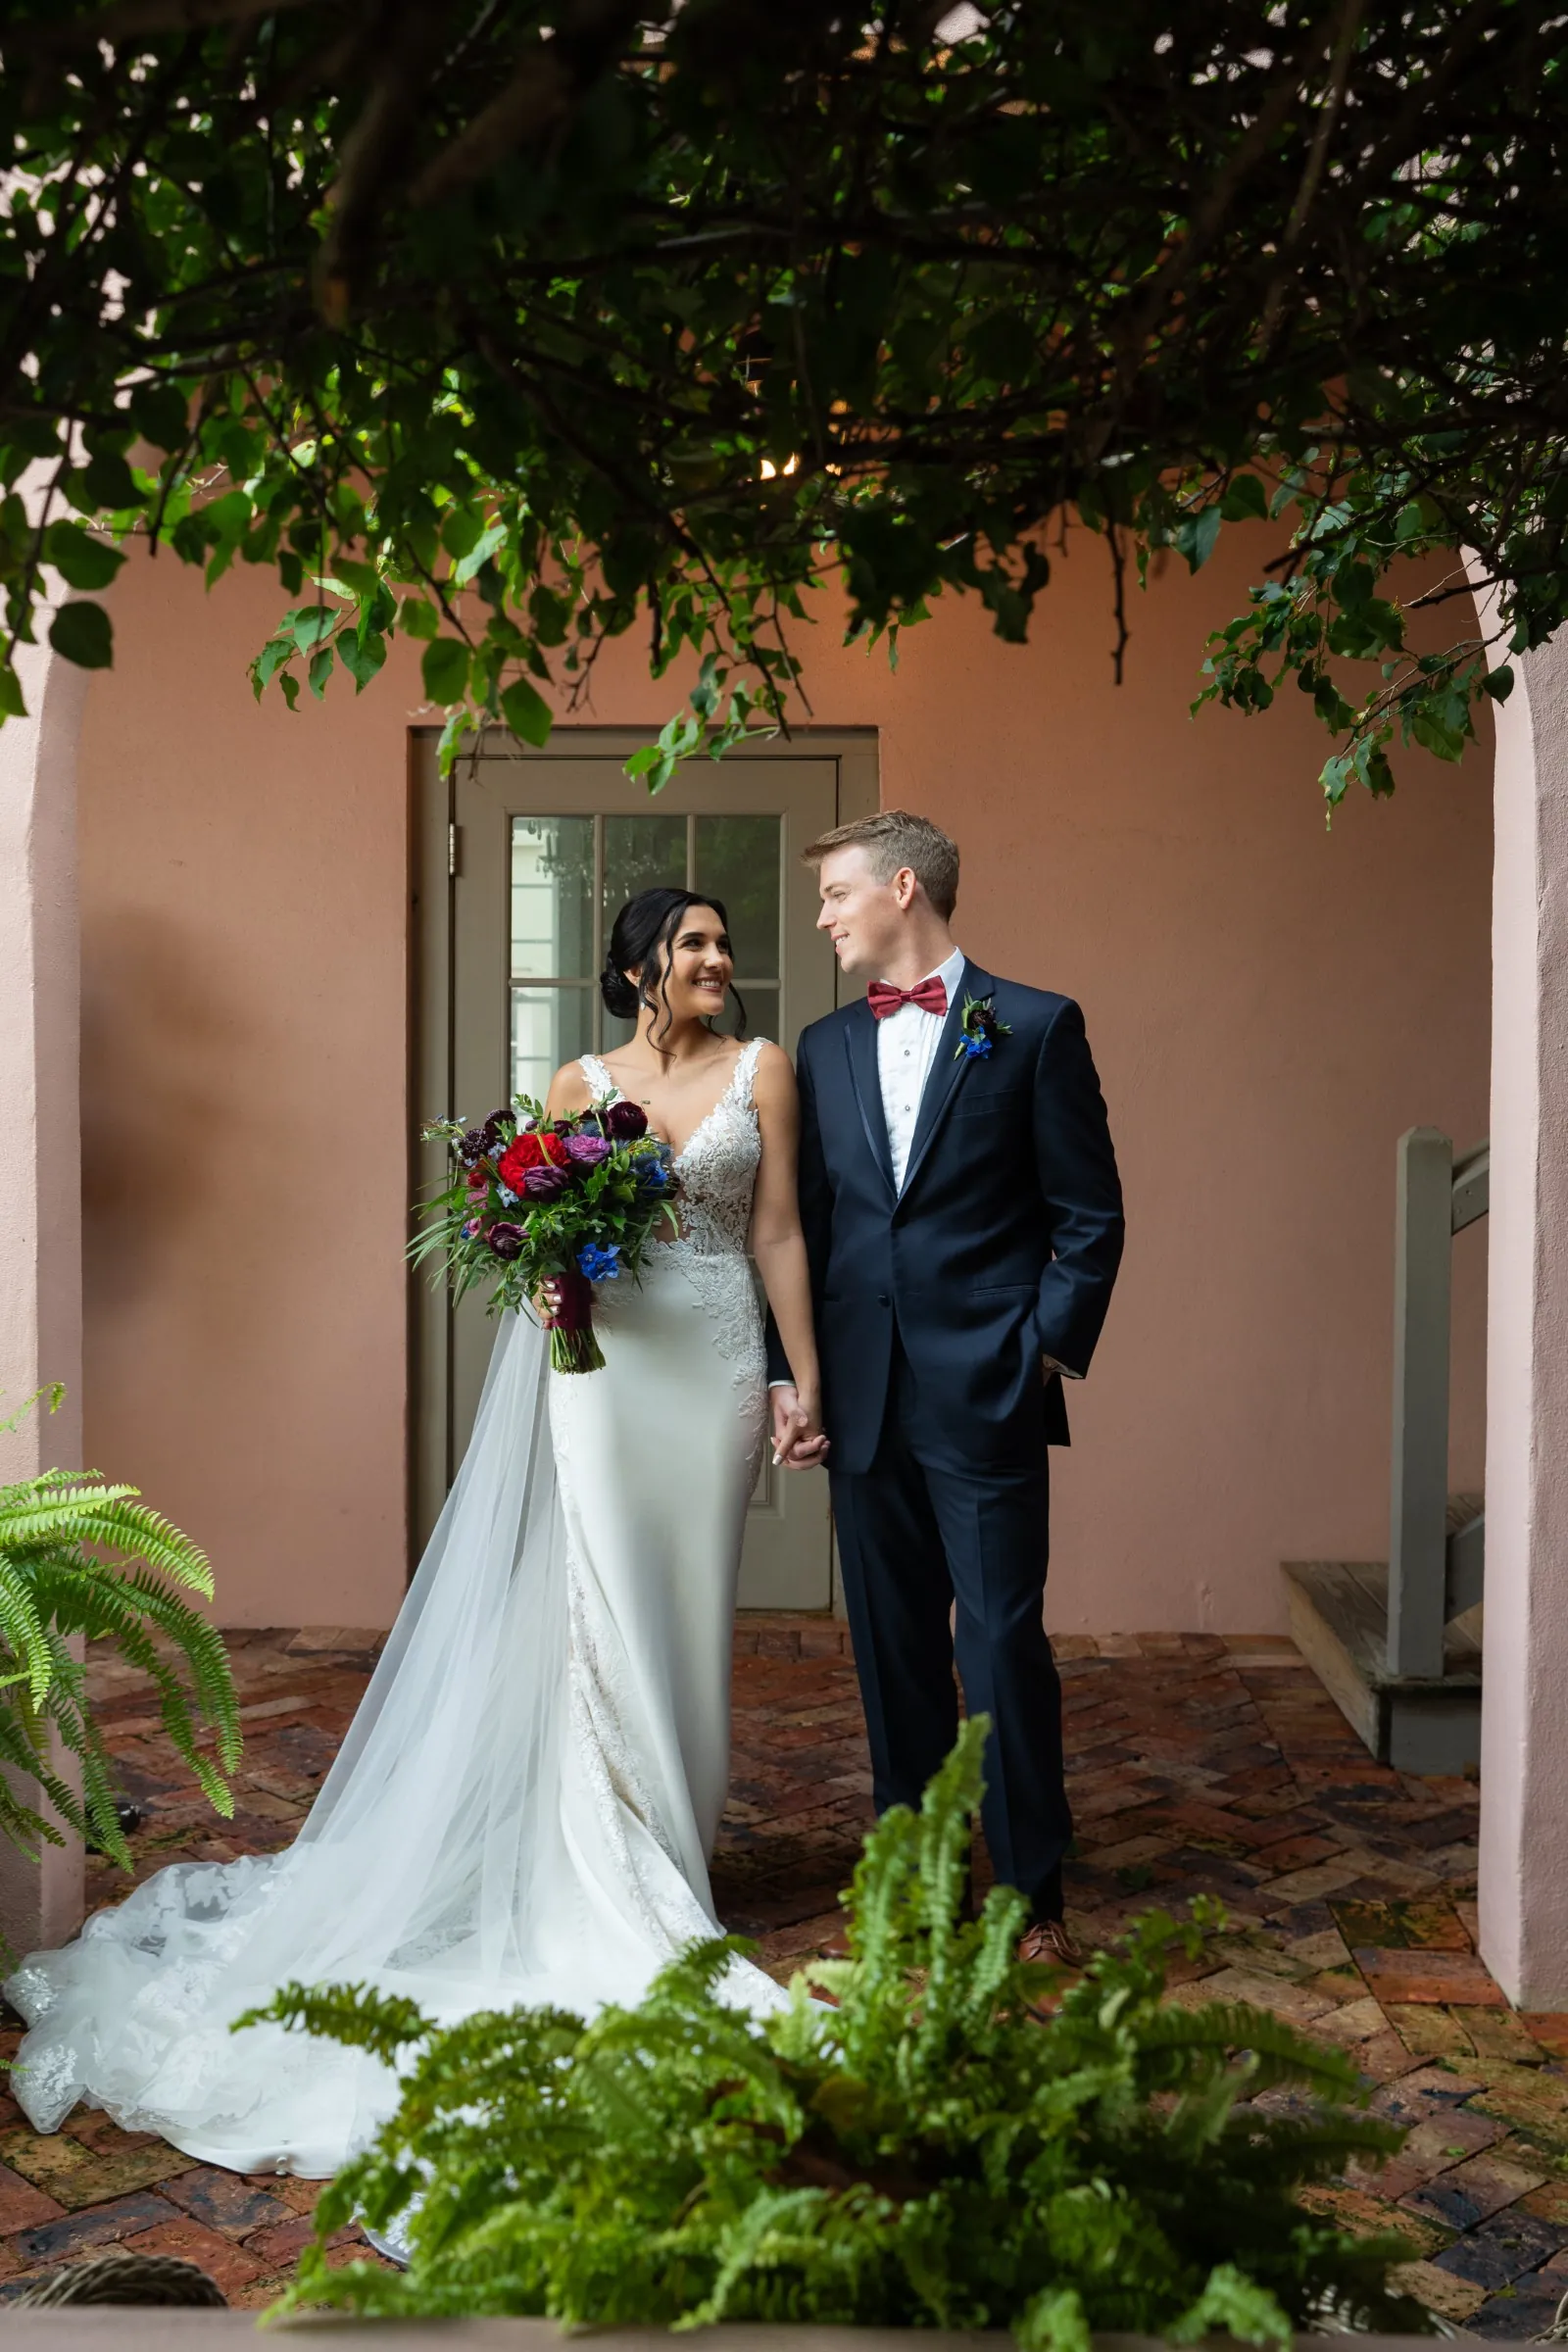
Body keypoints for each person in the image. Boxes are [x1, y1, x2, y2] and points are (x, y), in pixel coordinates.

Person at [5, 887, 826, 2181]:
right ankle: (614, 1867)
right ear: (634, 972)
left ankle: (676, 1851)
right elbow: (546, 1246)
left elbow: (778, 1228)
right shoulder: (579, 1080)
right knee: (600, 1605)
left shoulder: (765, 1073)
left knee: (687, 1611)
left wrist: (801, 1377)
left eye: (726, 942)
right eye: (695, 945)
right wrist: (558, 1287)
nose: (721, 960)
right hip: (605, 1376)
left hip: (716, 1362)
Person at [766, 812, 1123, 1967]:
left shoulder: (1032, 1026)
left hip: (990, 1391)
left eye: (833, 893)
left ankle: (1031, 1895)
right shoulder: (822, 1048)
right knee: (891, 1646)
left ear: (901, 888)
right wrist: (796, 1376)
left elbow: (1090, 1215)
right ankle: (920, 1881)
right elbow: (808, 1230)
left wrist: (1045, 1353)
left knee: (1005, 1639)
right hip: (862, 1394)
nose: (821, 914)